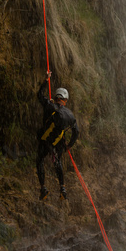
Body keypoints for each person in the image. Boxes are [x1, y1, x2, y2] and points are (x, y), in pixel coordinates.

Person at [36, 70, 79, 201]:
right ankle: (62, 188)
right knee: (57, 161)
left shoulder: (50, 106)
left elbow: (39, 95)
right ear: (65, 100)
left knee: (39, 160)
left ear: (56, 97)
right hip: (58, 142)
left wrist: (46, 80)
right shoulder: (71, 115)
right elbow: (76, 132)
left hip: (45, 140)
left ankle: (43, 188)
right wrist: (69, 146)